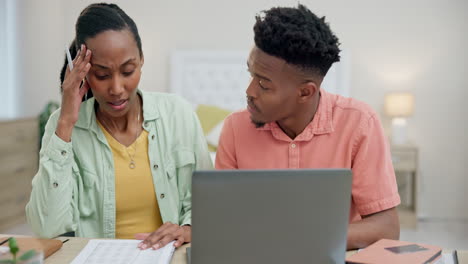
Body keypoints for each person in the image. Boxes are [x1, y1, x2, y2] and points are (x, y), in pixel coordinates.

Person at [26, 3, 212, 250]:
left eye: (128, 70)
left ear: (141, 60)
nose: (116, 89)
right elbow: (47, 228)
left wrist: (187, 228)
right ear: (82, 71)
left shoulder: (178, 114)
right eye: (102, 75)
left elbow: (207, 206)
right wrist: (66, 122)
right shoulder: (64, 126)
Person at [215, 4, 400, 250]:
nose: (249, 92)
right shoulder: (235, 128)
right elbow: (221, 219)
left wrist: (300, 237)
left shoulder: (360, 123)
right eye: (251, 75)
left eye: (264, 84)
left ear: (305, 92)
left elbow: (386, 227)